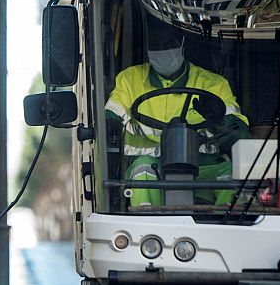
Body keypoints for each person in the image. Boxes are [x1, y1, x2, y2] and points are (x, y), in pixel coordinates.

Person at [105, 22, 250, 206]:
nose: (162, 51)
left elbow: (241, 136)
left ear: (182, 44)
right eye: (155, 46)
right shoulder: (129, 79)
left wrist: (219, 118)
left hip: (205, 166)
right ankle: (147, 229)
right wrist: (110, 123)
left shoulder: (214, 84)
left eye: (168, 45)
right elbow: (112, 113)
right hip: (153, 165)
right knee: (143, 169)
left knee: (231, 174)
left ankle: (228, 227)